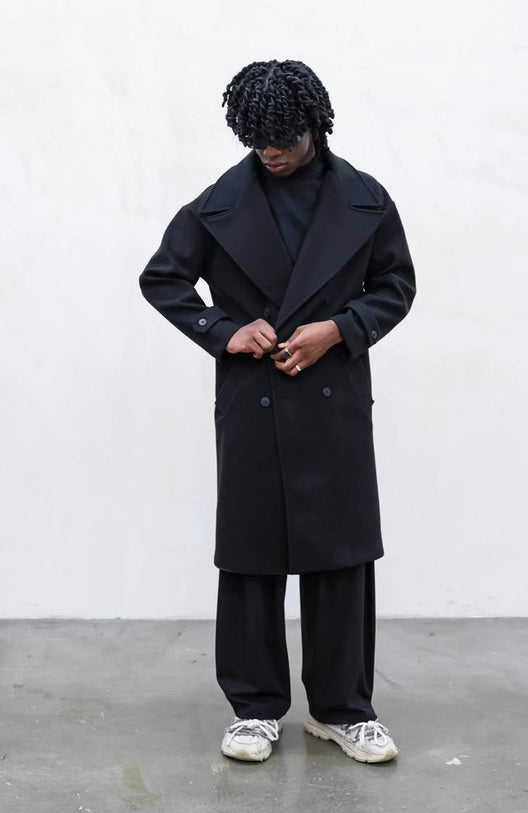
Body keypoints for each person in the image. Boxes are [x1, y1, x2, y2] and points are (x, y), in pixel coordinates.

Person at [139, 59, 416, 764]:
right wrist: (222, 329)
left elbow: (395, 284)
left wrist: (340, 329)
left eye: (283, 138)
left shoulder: (365, 199)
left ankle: (343, 710)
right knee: (250, 554)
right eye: (256, 138)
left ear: (314, 125)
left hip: (334, 399)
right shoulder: (217, 205)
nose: (270, 150)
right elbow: (162, 277)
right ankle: (254, 709)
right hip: (252, 399)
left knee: (341, 555)